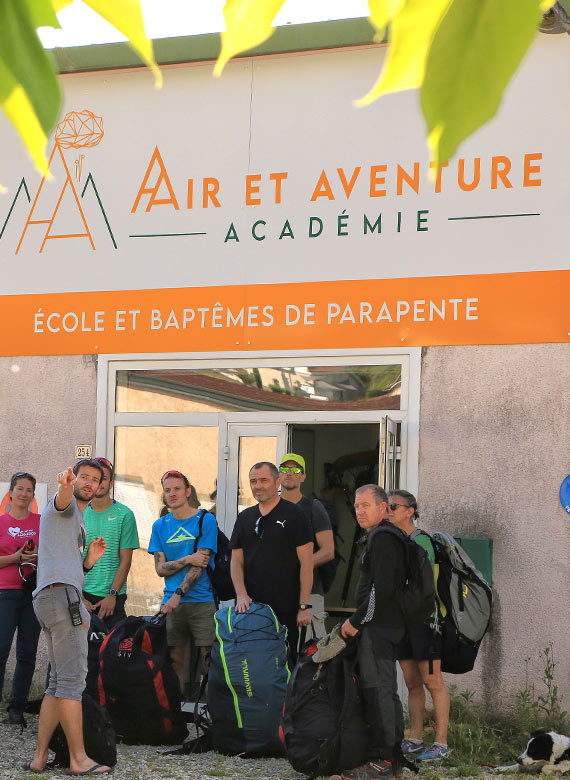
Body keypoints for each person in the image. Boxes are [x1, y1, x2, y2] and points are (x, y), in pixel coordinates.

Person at [26, 460, 110, 775]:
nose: (88, 483)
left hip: (49, 599)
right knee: (72, 683)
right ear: (73, 480)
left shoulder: (76, 519)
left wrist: (87, 563)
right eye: (83, 477)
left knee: (57, 683)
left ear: (102, 486)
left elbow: (65, 564)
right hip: (63, 601)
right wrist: (64, 487)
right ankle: (79, 760)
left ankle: (39, 757)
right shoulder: (64, 505)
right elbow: (62, 501)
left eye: (95, 479)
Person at [340, 484, 408, 780]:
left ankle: (383, 761)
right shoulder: (383, 537)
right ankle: (393, 760)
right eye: (356, 506)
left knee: (378, 690)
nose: (359, 511)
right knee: (386, 692)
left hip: (378, 627)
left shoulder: (382, 538)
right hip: (385, 626)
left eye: (366, 505)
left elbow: (381, 589)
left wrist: (356, 621)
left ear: (383, 508)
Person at [388, 489, 451, 762]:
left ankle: (441, 742)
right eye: (386, 506)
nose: (388, 511)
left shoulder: (420, 540)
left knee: (432, 681)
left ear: (410, 511)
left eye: (393, 506)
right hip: (402, 623)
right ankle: (414, 738)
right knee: (412, 682)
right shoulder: (391, 541)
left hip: (427, 623)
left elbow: (419, 581)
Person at [230, 461, 314, 662]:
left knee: (283, 664)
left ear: (277, 482)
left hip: (286, 608)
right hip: (250, 609)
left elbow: (307, 563)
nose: (258, 485)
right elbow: (235, 561)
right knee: (251, 666)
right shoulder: (244, 517)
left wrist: (304, 606)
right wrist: (241, 595)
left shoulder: (295, 514)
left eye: (264, 480)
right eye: (253, 481)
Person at [148, 469, 217, 691]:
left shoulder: (205, 520)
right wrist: (188, 558)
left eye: (177, 489)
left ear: (188, 491)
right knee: (174, 660)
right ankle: (176, 714)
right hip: (171, 605)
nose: (172, 494)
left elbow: (201, 565)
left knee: (210, 660)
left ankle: (211, 712)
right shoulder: (160, 526)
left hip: (202, 602)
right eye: (167, 490)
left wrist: (179, 593)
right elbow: (160, 569)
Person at [0, 472, 41, 725]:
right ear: (11, 493)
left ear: (33, 495)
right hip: (4, 593)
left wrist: (35, 555)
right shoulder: (1, 522)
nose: (24, 494)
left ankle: (17, 707)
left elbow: (49, 552)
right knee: (1, 652)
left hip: (32, 594)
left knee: (27, 654)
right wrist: (16, 558)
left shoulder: (41, 521)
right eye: (20, 489)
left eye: (29, 490)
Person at [279, 452, 334, 637]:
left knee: (311, 656)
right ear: (278, 475)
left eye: (295, 470)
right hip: (276, 592)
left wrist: (299, 564)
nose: (289, 473)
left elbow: (328, 551)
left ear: (303, 476)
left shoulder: (313, 507)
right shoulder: (268, 508)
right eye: (285, 469)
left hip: (309, 594)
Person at [82, 457, 140, 629]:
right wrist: (79, 596)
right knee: (81, 654)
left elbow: (126, 560)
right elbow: (70, 558)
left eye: (103, 478)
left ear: (111, 483)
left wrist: (112, 595)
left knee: (112, 653)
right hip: (82, 597)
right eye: (95, 478)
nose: (98, 483)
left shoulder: (125, 514)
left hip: (113, 599)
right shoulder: (78, 513)